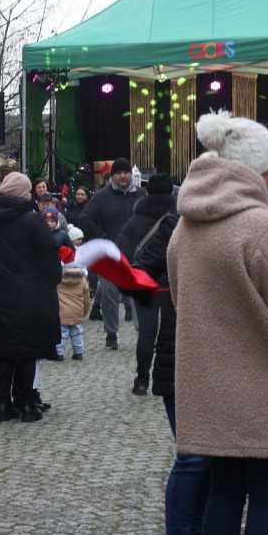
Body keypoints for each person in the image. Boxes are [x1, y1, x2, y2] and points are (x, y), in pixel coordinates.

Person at [168, 110, 268, 535]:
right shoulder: (264, 229)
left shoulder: (183, 230)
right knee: (267, 498)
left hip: (207, 387)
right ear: (253, 171)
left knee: (222, 495)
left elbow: (180, 300)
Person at [125, 210, 210, 535]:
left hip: (225, 358)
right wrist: (173, 292)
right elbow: (136, 274)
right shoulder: (177, 225)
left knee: (211, 459)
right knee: (193, 458)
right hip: (180, 354)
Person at [0, 172, 61, 423]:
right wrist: (52, 279)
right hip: (30, 296)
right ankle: (27, 406)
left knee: (4, 352)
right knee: (27, 351)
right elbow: (49, 256)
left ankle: (4, 406)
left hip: (0, 295)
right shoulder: (32, 220)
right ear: (23, 194)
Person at [115, 173, 178, 396]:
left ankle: (142, 379)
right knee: (174, 334)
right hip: (174, 285)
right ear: (172, 192)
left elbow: (120, 254)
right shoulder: (179, 220)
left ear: (147, 193)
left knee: (147, 334)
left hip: (145, 284)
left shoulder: (135, 221)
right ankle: (175, 378)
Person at [77, 157, 145, 349]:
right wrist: (102, 237)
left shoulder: (141, 195)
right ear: (112, 176)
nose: (123, 176)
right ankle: (111, 333)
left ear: (131, 174)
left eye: (126, 172)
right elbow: (85, 219)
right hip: (110, 254)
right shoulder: (101, 197)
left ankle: (143, 332)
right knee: (109, 295)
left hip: (137, 254)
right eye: (118, 173)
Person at [55, 260, 90, 361]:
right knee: (77, 332)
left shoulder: (57, 278)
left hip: (61, 310)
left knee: (62, 333)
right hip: (77, 310)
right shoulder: (81, 278)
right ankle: (78, 353)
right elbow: (86, 296)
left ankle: (59, 353)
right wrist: (85, 309)